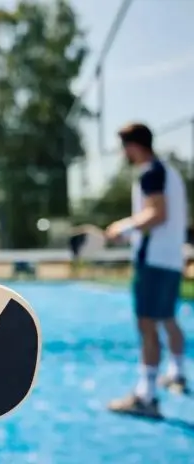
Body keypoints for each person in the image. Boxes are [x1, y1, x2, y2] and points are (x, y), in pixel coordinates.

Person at [105, 123, 188, 418]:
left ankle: (147, 396)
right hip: (170, 260)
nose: (123, 153)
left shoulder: (152, 173)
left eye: (124, 146)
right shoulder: (170, 172)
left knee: (147, 325)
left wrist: (122, 228)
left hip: (153, 261)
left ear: (134, 146)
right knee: (167, 318)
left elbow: (157, 213)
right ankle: (177, 373)